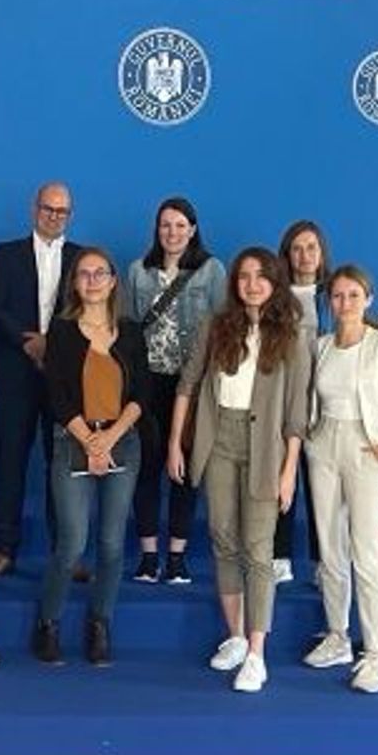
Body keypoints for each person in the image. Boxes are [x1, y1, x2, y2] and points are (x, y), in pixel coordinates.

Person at [167, 248, 310, 695]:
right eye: (244, 276)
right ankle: (234, 635)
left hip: (265, 446)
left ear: (274, 281)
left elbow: (296, 413)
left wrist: (289, 470)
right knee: (223, 539)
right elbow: (187, 385)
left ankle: (256, 652)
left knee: (258, 548)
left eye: (260, 276)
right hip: (219, 441)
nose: (252, 284)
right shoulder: (216, 326)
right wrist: (176, 442)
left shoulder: (292, 334)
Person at [301, 265, 378, 695]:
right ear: (329, 302)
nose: (345, 304)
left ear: (368, 299)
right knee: (330, 550)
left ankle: (373, 654)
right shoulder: (321, 348)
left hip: (367, 449)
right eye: (337, 297)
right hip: (324, 446)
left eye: (353, 296)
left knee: (366, 552)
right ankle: (337, 636)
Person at [34, 248, 147, 667]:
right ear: (75, 283)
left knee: (113, 544)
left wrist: (111, 437)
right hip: (72, 440)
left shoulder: (132, 332)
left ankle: (100, 623)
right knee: (72, 542)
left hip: (123, 440)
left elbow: (142, 395)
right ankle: (47, 623)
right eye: (84, 274)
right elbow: (57, 394)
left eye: (101, 273)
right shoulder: (61, 331)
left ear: (114, 280)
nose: (93, 280)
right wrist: (89, 440)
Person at [0, 182, 88, 577]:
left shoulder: (81, 258)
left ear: (70, 216)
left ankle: (68, 552)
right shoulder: (6, 254)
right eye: (48, 209)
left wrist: (52, 344)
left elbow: (86, 311)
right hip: (14, 372)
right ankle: (3, 549)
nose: (54, 216)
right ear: (34, 209)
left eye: (62, 211)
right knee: (10, 462)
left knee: (62, 466)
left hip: (63, 378)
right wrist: (29, 343)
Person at [125, 196, 225, 586]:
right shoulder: (138, 271)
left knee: (186, 469)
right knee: (147, 466)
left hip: (192, 384)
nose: (173, 232)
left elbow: (221, 328)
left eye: (181, 225)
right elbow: (130, 331)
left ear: (193, 229)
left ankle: (178, 557)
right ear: (156, 229)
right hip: (148, 382)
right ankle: (149, 555)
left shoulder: (212, 270)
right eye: (166, 225)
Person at [272, 218, 329, 585]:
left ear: (322, 253)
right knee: (283, 483)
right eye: (297, 248)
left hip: (327, 407)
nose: (305, 255)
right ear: (287, 255)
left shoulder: (335, 294)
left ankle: (324, 563)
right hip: (286, 403)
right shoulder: (277, 298)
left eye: (311, 247)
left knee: (323, 491)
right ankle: (279, 557)